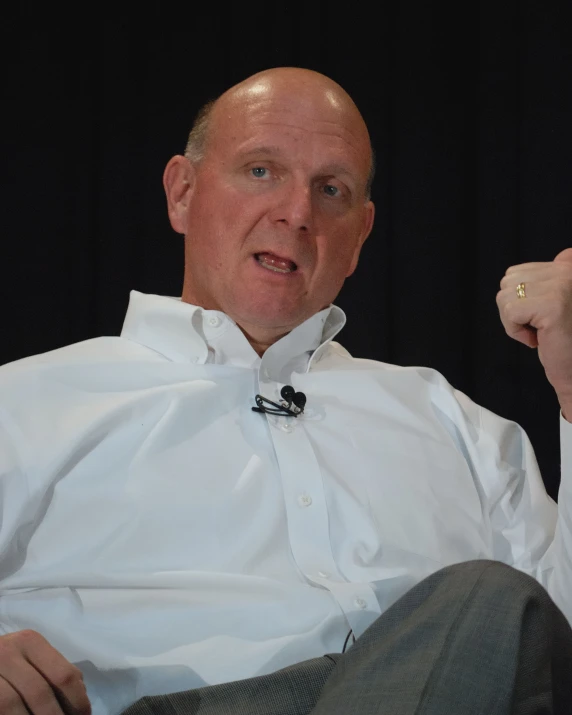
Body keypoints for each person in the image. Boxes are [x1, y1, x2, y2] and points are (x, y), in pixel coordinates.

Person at [0, 67, 571, 715]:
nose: (297, 213)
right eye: (261, 170)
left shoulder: (460, 428)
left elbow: (554, 643)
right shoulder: (22, 405)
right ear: (182, 193)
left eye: (331, 189)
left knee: (492, 606)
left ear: (359, 235)